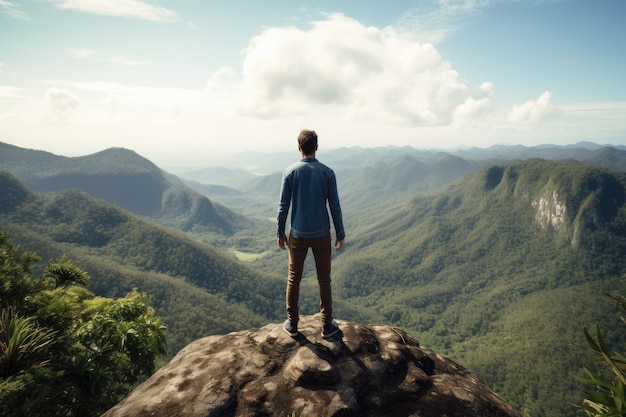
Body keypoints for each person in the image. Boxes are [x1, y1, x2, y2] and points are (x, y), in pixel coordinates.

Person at [277, 129, 346, 339]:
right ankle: (327, 325)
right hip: (321, 234)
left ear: (299, 148)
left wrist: (280, 232)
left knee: (293, 278)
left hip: (297, 233)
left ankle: (292, 323)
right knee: (324, 279)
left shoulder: (290, 172)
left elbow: (283, 206)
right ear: (316, 146)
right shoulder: (327, 172)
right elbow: (334, 206)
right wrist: (340, 234)